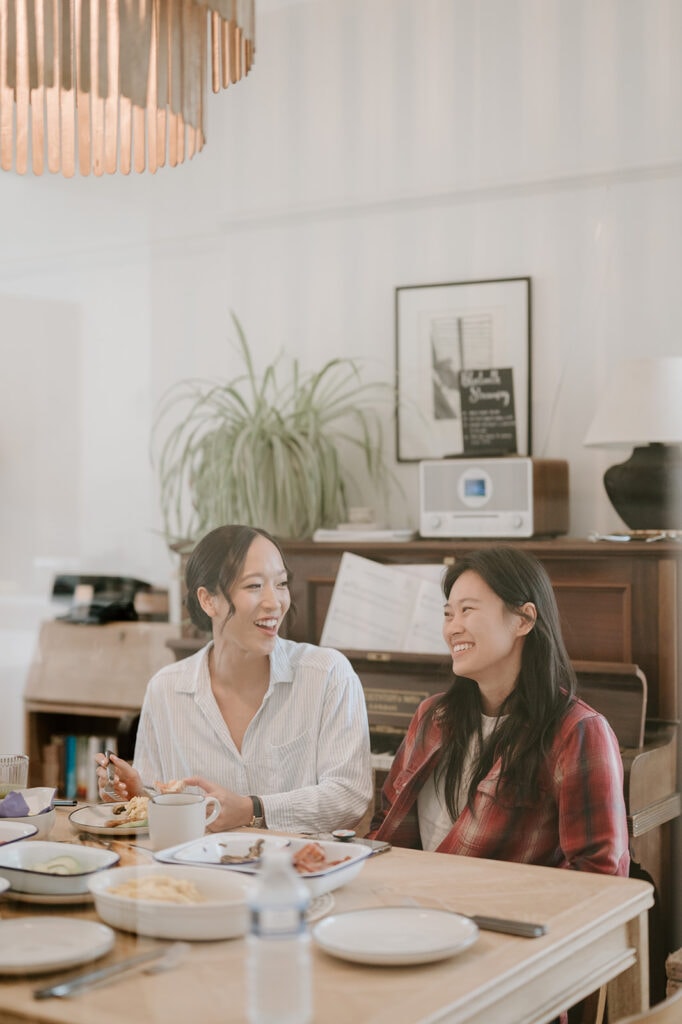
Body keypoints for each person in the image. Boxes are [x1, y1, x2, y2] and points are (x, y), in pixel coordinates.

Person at [369, 546, 630, 877]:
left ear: (524, 619)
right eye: (448, 614)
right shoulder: (431, 715)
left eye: (468, 610)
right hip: (413, 907)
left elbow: (600, 876)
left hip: (507, 919)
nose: (452, 628)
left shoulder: (578, 731)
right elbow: (385, 826)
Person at [97, 524, 373, 834]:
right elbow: (162, 808)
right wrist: (139, 796)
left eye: (281, 583)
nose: (275, 602)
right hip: (199, 874)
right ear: (208, 600)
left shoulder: (329, 675)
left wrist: (251, 809)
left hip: (297, 873)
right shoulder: (166, 689)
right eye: (255, 586)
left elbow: (349, 797)